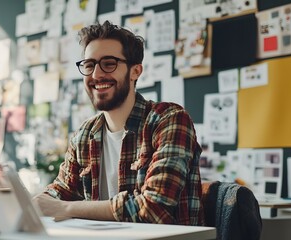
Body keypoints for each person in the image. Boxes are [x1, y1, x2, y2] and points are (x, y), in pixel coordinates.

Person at [35, 20, 204, 225]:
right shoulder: (84, 135)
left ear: (135, 71)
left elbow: (154, 208)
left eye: (109, 63)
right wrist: (34, 203)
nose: (96, 74)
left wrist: (66, 208)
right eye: (89, 65)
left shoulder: (169, 120)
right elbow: (59, 192)